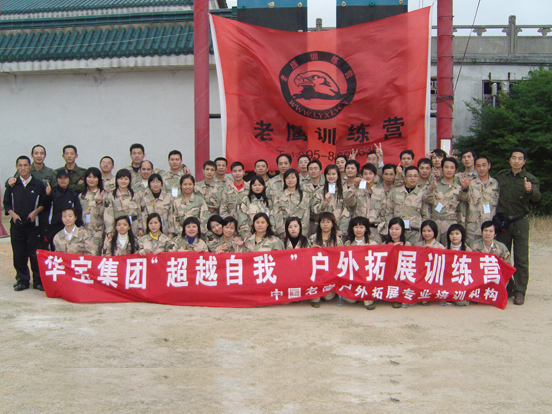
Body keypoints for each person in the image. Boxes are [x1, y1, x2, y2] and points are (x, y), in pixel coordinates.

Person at [495, 148, 541, 305]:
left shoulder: (530, 179)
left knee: (521, 258)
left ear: (524, 161)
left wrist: (530, 190)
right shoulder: (501, 176)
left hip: (520, 220)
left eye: (520, 158)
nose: (516, 161)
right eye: (513, 158)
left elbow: (537, 197)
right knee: (502, 256)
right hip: (503, 222)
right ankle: (507, 287)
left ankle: (520, 291)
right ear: (509, 159)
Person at [4, 155, 46, 291]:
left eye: (25, 165)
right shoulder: (12, 184)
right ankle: (22, 280)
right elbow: (6, 204)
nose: (23, 168)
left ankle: (38, 281)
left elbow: (43, 203)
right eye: (20, 165)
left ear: (30, 166)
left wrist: (35, 213)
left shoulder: (38, 184)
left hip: (33, 226)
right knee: (19, 254)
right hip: (16, 226)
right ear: (16, 167)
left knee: (34, 254)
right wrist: (13, 215)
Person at [459, 155, 500, 244]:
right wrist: (464, 188)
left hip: (490, 227)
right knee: (472, 250)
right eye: (478, 166)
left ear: (489, 166)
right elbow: (463, 198)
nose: (481, 168)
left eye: (484, 165)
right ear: (475, 167)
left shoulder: (495, 184)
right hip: (474, 228)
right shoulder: (471, 183)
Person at [385, 166, 428, 245]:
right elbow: (388, 212)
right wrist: (392, 229)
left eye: (415, 176)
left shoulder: (422, 194)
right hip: (397, 234)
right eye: (410, 176)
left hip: (415, 233)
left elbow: (425, 215)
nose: (412, 178)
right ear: (404, 178)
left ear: (418, 178)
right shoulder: (395, 192)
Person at [426, 157, 462, 245]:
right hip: (435, 223)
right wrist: (431, 189)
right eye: (446, 167)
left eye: (452, 168)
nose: (449, 170)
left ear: (456, 170)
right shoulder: (435, 185)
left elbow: (461, 209)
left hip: (451, 224)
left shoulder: (459, 188)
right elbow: (426, 200)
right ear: (442, 169)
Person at [344, 216, 378, 309]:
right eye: (356, 227)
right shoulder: (347, 243)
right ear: (352, 228)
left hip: (367, 274)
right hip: (353, 274)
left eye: (361, 227)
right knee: (350, 300)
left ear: (366, 229)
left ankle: (367, 300)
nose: (358, 230)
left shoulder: (372, 243)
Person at [45, 169, 83, 249]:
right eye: (60, 178)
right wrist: (47, 195)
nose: (63, 180)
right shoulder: (52, 193)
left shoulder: (73, 195)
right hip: (54, 229)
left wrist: (78, 226)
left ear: (69, 179)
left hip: (70, 229)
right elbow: (45, 209)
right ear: (57, 179)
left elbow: (78, 212)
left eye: (65, 178)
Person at [309, 212, 342, 307]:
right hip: (316, 272)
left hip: (331, 272)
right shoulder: (313, 238)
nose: (325, 224)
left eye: (328, 222)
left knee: (328, 297)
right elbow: (306, 256)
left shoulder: (337, 240)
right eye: (323, 222)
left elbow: (341, 258)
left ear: (333, 224)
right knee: (315, 295)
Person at [312, 164, 350, 237]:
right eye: (328, 174)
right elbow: (314, 210)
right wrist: (325, 203)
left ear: (338, 175)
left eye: (333, 174)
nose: (331, 176)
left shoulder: (344, 191)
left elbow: (346, 212)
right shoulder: (319, 191)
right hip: (322, 228)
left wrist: (341, 231)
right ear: (325, 176)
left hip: (338, 229)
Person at [103, 169, 143, 238]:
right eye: (120, 179)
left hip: (134, 226)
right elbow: (108, 215)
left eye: (126, 179)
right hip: (118, 227)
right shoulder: (111, 196)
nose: (123, 181)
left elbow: (140, 212)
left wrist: (141, 227)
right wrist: (110, 231)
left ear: (129, 180)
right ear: (116, 180)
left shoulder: (135, 195)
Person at [272, 169, 310, 238]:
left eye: (293, 178)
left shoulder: (304, 195)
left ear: (297, 179)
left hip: (300, 233)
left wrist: (300, 232)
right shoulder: (279, 195)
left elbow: (306, 215)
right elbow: (277, 214)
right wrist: (283, 231)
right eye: (287, 178)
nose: (290, 180)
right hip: (284, 233)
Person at [385, 217, 410, 308]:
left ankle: (399, 297)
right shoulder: (384, 244)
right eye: (391, 229)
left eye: (397, 229)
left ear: (402, 230)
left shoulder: (407, 245)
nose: (394, 231)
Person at [79, 167, 105, 255]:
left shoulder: (103, 194)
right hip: (84, 230)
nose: (91, 180)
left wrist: (99, 203)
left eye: (94, 177)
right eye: (89, 177)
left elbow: (106, 214)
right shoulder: (81, 196)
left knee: (94, 255)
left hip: (97, 231)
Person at [302, 159, 325, 235]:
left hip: (323, 222)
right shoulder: (303, 186)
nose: (313, 171)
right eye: (311, 169)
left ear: (321, 170)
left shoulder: (327, 185)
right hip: (307, 222)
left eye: (315, 168)